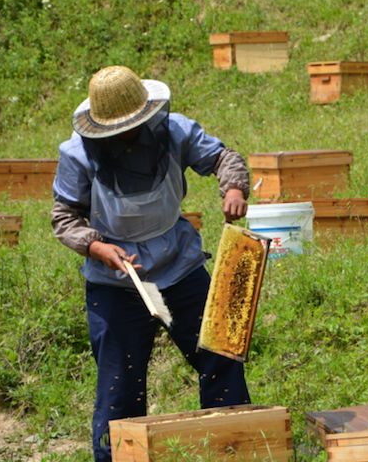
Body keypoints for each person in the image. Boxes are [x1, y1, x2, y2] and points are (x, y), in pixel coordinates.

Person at [50, 65, 251, 462]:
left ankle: (237, 449)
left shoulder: (176, 131)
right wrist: (97, 247)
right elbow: (65, 218)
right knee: (119, 389)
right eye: (115, 130)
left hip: (181, 267)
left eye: (132, 125)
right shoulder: (76, 154)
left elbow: (224, 157)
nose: (125, 136)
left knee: (221, 358)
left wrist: (234, 187)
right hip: (116, 284)